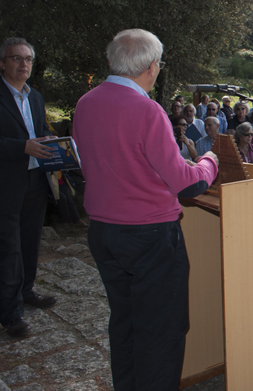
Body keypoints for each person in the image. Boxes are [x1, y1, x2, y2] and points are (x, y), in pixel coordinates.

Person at [73, 29, 219, 388]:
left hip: (104, 231)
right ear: (152, 67)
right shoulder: (147, 110)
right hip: (149, 236)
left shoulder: (86, 103)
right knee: (161, 331)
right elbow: (188, 185)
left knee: (125, 322)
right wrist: (210, 161)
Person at [0, 37, 59, 339]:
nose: (24, 64)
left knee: (30, 241)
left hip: (36, 180)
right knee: (8, 249)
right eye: (16, 58)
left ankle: (26, 291)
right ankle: (10, 314)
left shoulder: (35, 96)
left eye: (28, 59)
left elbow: (40, 130)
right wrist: (22, 146)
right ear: (2, 63)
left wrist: (51, 140)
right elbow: (20, 141)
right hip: (6, 183)